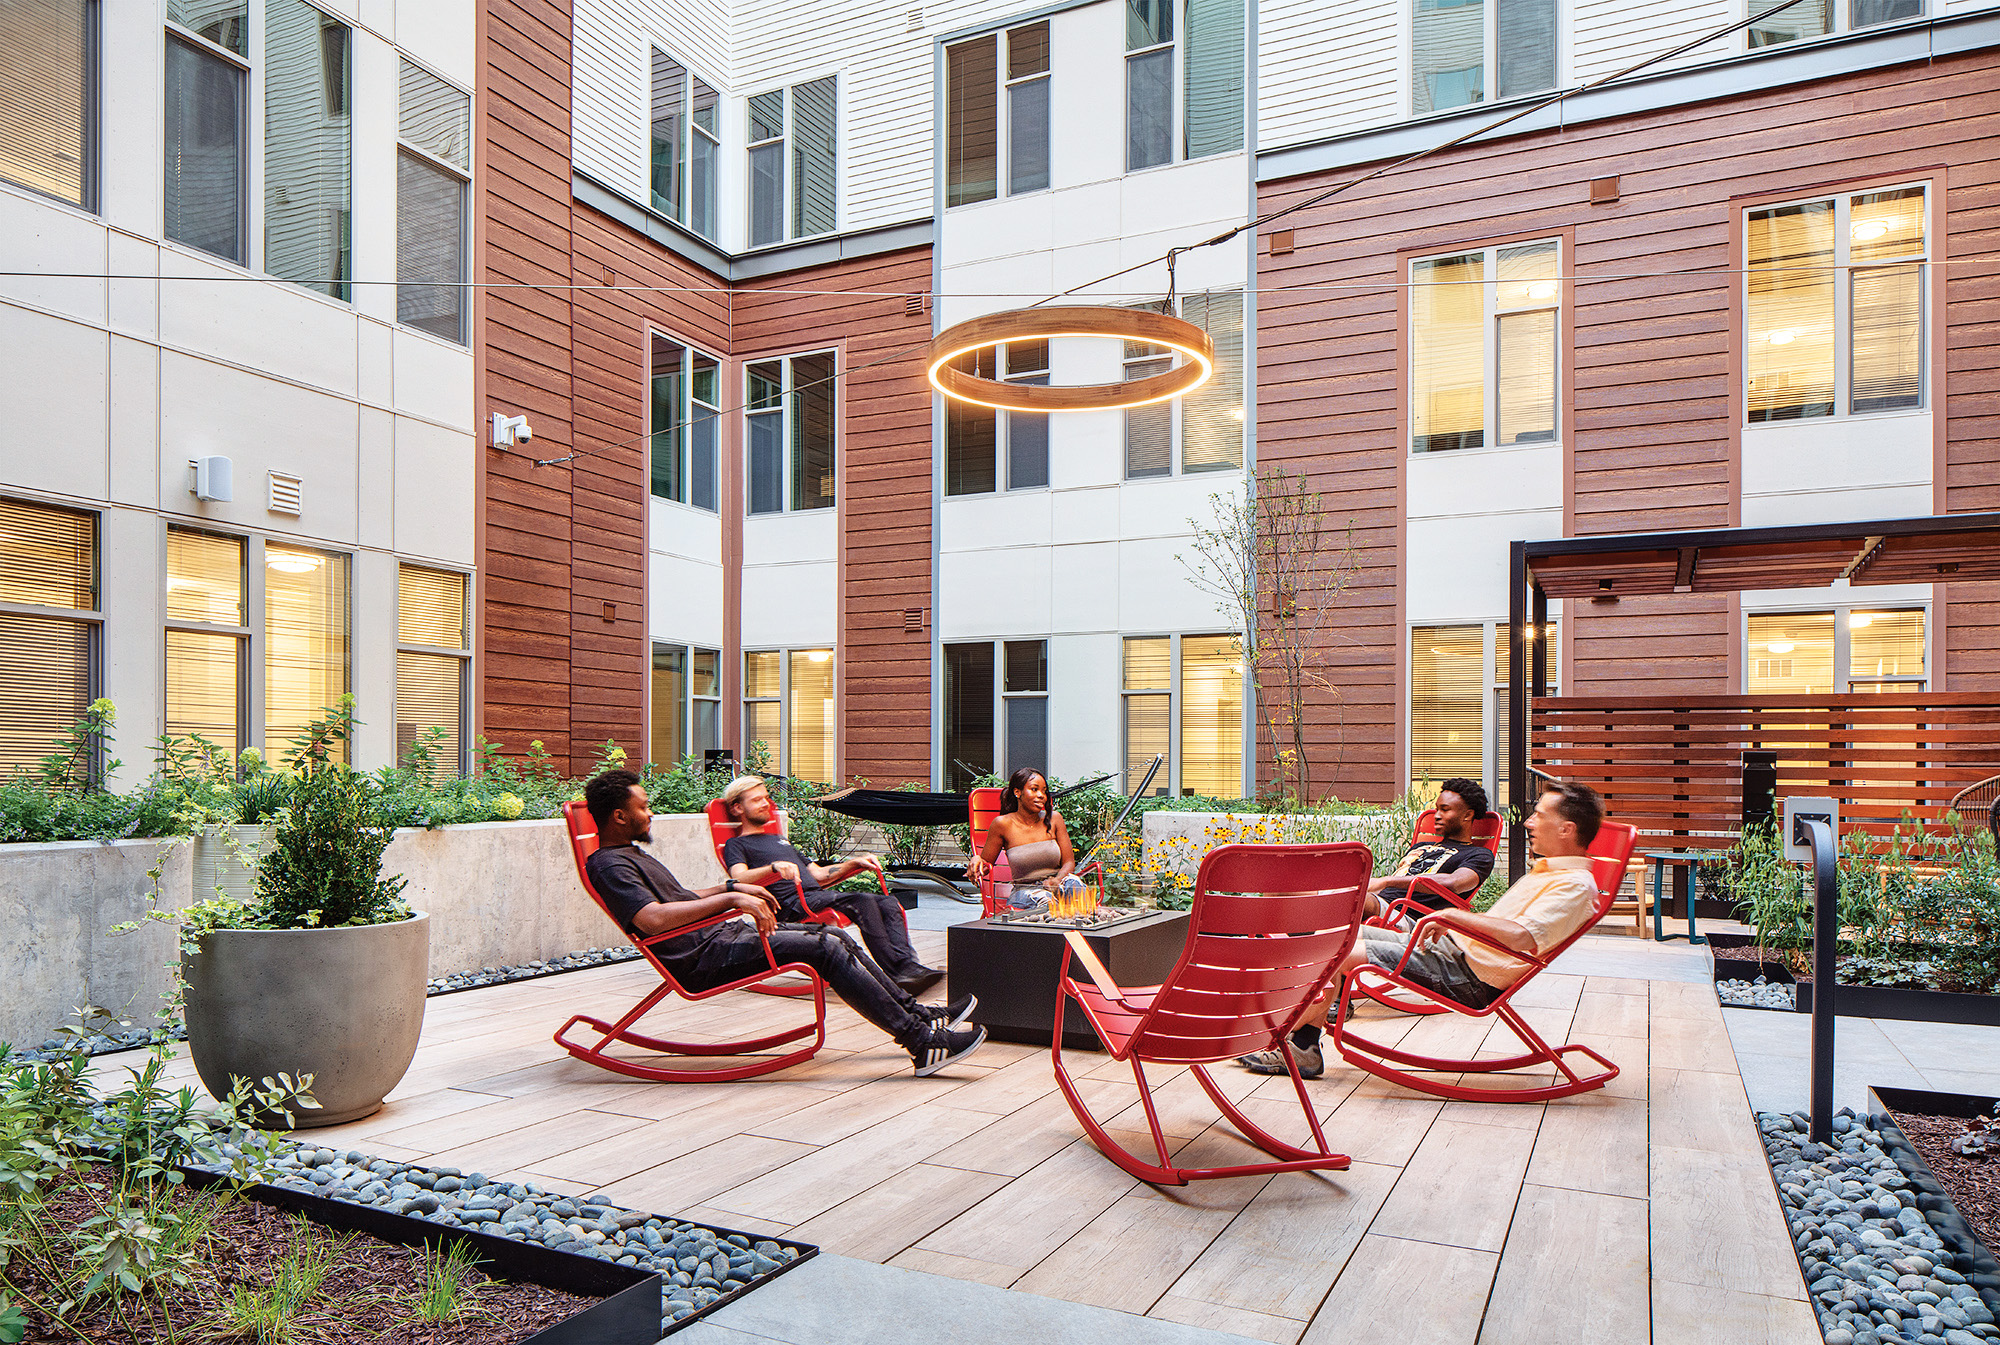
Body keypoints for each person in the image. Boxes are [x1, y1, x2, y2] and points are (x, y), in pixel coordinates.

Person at [582, 770, 982, 1077]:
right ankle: (921, 1043)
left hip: (720, 938)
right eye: (644, 807)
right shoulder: (610, 864)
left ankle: (919, 1015)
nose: (650, 813)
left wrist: (732, 889)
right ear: (619, 815)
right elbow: (652, 920)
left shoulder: (632, 855)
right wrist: (734, 896)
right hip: (702, 956)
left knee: (833, 934)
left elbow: (682, 900)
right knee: (825, 947)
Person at [1240, 781, 1606, 1080]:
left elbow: (1521, 937)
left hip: (1467, 973)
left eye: (1538, 815)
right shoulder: (1551, 872)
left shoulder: (1573, 885)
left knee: (1337, 953)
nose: (1527, 822)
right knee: (1336, 942)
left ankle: (1278, 1039)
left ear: (1566, 829)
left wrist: (1450, 917)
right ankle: (1303, 1044)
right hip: (1451, 950)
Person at [718, 775, 944, 995]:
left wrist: (853, 863)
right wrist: (773, 868)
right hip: (791, 906)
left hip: (814, 896)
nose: (766, 804)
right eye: (757, 800)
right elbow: (739, 878)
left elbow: (819, 874)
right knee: (862, 901)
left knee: (888, 902)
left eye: (766, 798)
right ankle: (898, 973)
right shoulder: (736, 844)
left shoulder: (781, 841)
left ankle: (909, 967)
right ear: (738, 808)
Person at [1361, 778, 1495, 921]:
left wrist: (1386, 881)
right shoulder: (1420, 847)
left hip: (1405, 915)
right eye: (1437, 809)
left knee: (1347, 900)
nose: (1436, 816)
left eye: (1445, 810)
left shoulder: (1479, 855)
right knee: (1342, 893)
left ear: (1467, 815)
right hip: (1378, 903)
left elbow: (1455, 883)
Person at [966, 767, 1085, 908]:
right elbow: (985, 866)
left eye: (1044, 791)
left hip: (1057, 884)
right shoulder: (1002, 824)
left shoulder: (1054, 819)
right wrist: (976, 859)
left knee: (1076, 886)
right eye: (1034, 789)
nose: (1041, 795)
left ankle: (1081, 927)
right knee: (1046, 901)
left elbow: (1069, 862)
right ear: (1018, 792)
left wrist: (1057, 880)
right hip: (1024, 891)